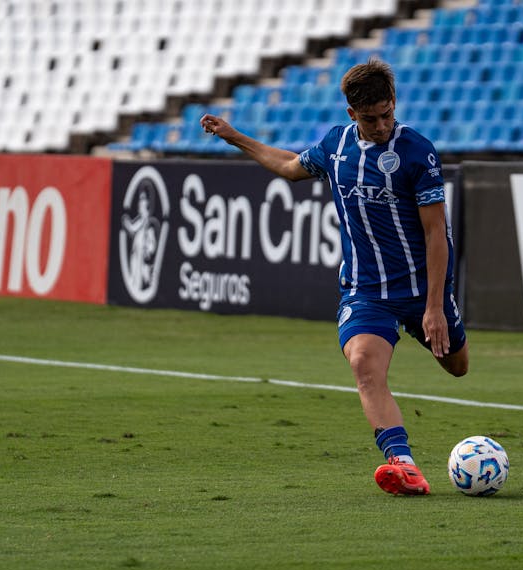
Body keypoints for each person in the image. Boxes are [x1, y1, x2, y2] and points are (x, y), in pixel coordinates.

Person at [200, 57, 469, 496]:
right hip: (365, 290)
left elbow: (436, 232)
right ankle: (405, 466)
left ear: (394, 104)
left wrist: (435, 307)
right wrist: (235, 138)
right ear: (351, 115)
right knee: (364, 365)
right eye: (370, 119)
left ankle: (430, 327)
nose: (381, 125)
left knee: (457, 368)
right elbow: (290, 167)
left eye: (387, 114)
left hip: (422, 290)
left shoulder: (418, 152)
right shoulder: (336, 146)